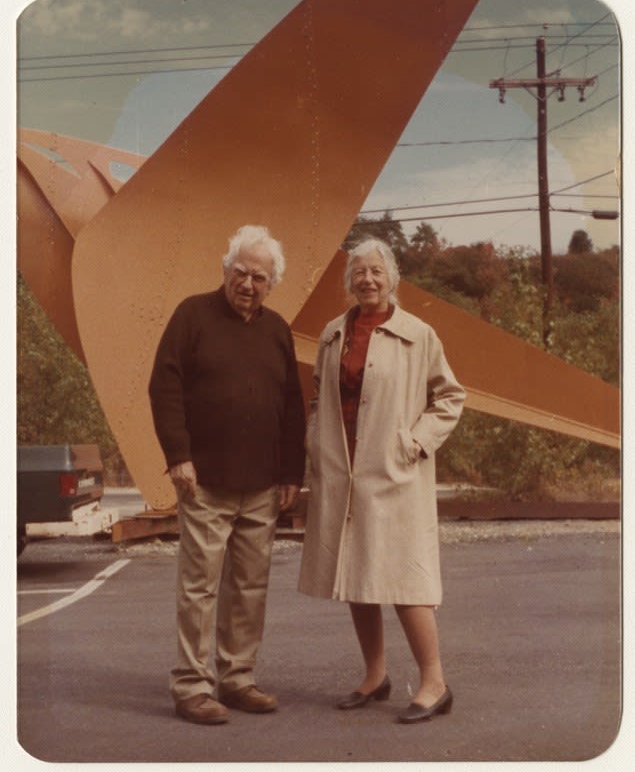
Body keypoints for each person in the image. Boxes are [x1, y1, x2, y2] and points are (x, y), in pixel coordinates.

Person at [298, 237, 465, 724]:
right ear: (349, 281)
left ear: (392, 278)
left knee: (406, 579)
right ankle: (375, 675)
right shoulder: (333, 333)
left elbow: (450, 397)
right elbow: (316, 397)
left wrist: (414, 442)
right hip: (341, 470)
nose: (367, 279)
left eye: (376, 271)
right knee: (356, 574)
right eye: (358, 272)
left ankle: (434, 682)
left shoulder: (418, 333)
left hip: (394, 472)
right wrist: (315, 441)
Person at [149, 225, 306, 725]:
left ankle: (238, 679)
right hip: (206, 481)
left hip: (262, 484)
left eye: (259, 276)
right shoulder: (192, 315)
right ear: (226, 270)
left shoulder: (278, 329)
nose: (248, 283)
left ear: (272, 283)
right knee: (200, 586)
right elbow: (164, 388)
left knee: (250, 586)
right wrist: (179, 455)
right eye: (240, 272)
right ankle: (193, 686)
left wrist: (291, 474)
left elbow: (291, 406)